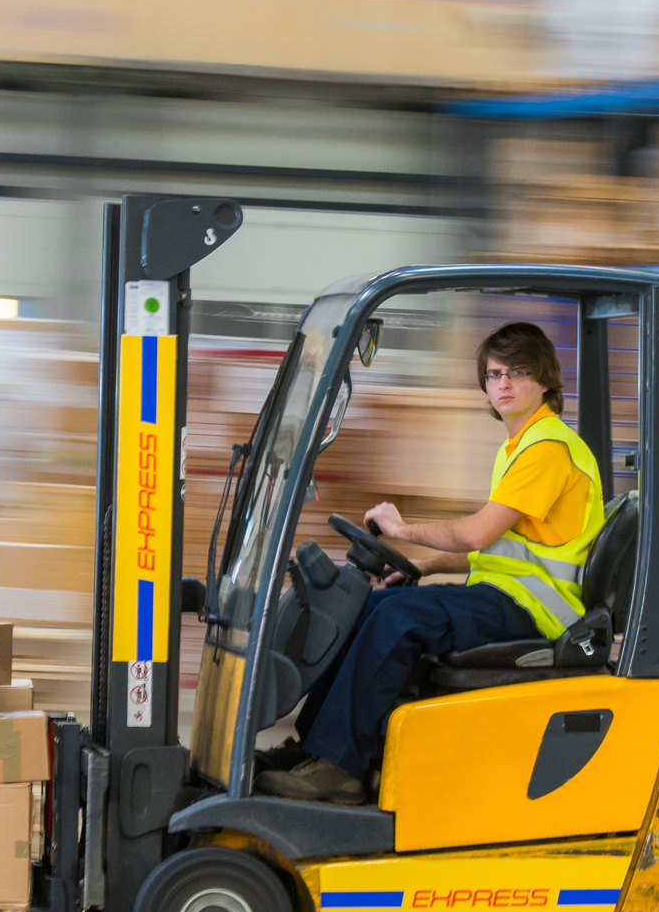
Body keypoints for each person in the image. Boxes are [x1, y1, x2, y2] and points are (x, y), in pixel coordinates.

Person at [259, 321, 607, 804]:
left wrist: (403, 530)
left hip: (534, 610)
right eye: (493, 373)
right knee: (377, 606)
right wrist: (421, 564)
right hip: (505, 595)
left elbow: (477, 532)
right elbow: (495, 548)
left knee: (398, 619)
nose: (502, 384)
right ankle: (315, 749)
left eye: (517, 373)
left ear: (545, 379)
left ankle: (340, 767)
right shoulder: (522, 445)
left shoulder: (548, 448)